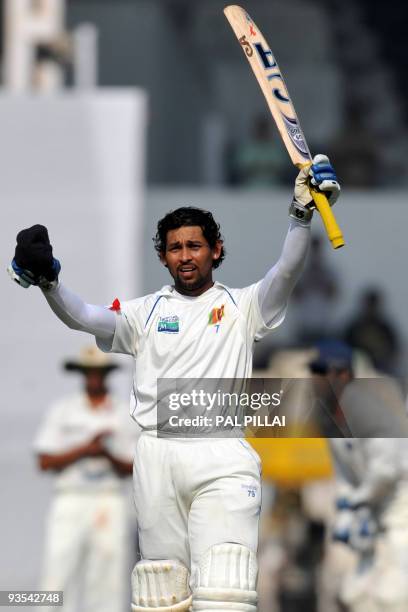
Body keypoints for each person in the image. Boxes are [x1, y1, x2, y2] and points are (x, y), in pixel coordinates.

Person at [9, 155, 340, 612]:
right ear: (163, 256)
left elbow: (285, 273)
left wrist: (301, 217)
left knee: (225, 592)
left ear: (216, 250)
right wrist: (49, 281)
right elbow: (83, 317)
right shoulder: (144, 313)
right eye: (175, 248)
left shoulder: (244, 307)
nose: (186, 256)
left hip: (221, 453)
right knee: (160, 594)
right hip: (157, 455)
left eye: (195, 246)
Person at [34, 345, 137, 612]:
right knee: (58, 569)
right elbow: (45, 461)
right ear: (81, 374)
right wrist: (85, 449)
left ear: (106, 375)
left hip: (109, 499)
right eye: (89, 372)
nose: (94, 378)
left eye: (99, 372)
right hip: (70, 499)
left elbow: (134, 467)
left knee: (108, 574)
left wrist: (106, 454)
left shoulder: (122, 414)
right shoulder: (63, 411)